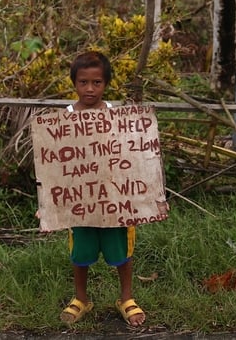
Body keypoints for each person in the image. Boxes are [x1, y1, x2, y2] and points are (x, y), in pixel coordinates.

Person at [56, 50, 168, 327]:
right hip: (80, 204)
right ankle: (81, 298)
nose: (90, 88)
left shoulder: (118, 117)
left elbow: (139, 160)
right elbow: (54, 166)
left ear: (106, 84)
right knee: (80, 253)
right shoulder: (63, 120)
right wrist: (48, 204)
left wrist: (155, 198)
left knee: (121, 252)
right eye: (83, 82)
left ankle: (126, 298)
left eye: (96, 82)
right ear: (74, 83)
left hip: (116, 202)